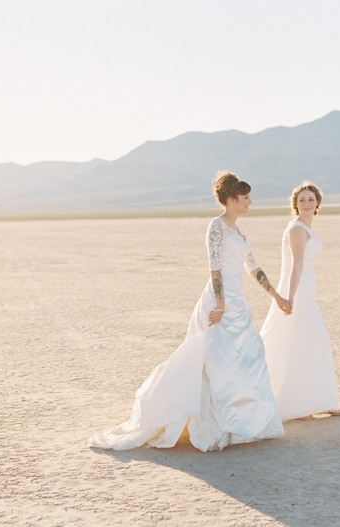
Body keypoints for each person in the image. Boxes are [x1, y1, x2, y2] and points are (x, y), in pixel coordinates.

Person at [88, 171, 290, 452]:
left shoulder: (240, 231)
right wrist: (219, 304)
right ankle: (218, 423)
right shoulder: (216, 227)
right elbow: (215, 266)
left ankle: (244, 422)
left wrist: (277, 296)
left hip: (238, 301)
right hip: (219, 301)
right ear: (231, 200)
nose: (250, 202)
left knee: (250, 351)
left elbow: (252, 266)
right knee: (218, 360)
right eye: (245, 198)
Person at [260, 182, 340, 421]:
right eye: (301, 200)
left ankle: (318, 401)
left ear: (317, 202)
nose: (306, 204)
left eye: (310, 199)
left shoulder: (306, 227)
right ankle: (305, 403)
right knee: (306, 341)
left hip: (306, 288)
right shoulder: (297, 229)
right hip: (297, 290)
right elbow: (296, 265)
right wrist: (290, 297)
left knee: (304, 343)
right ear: (295, 205)